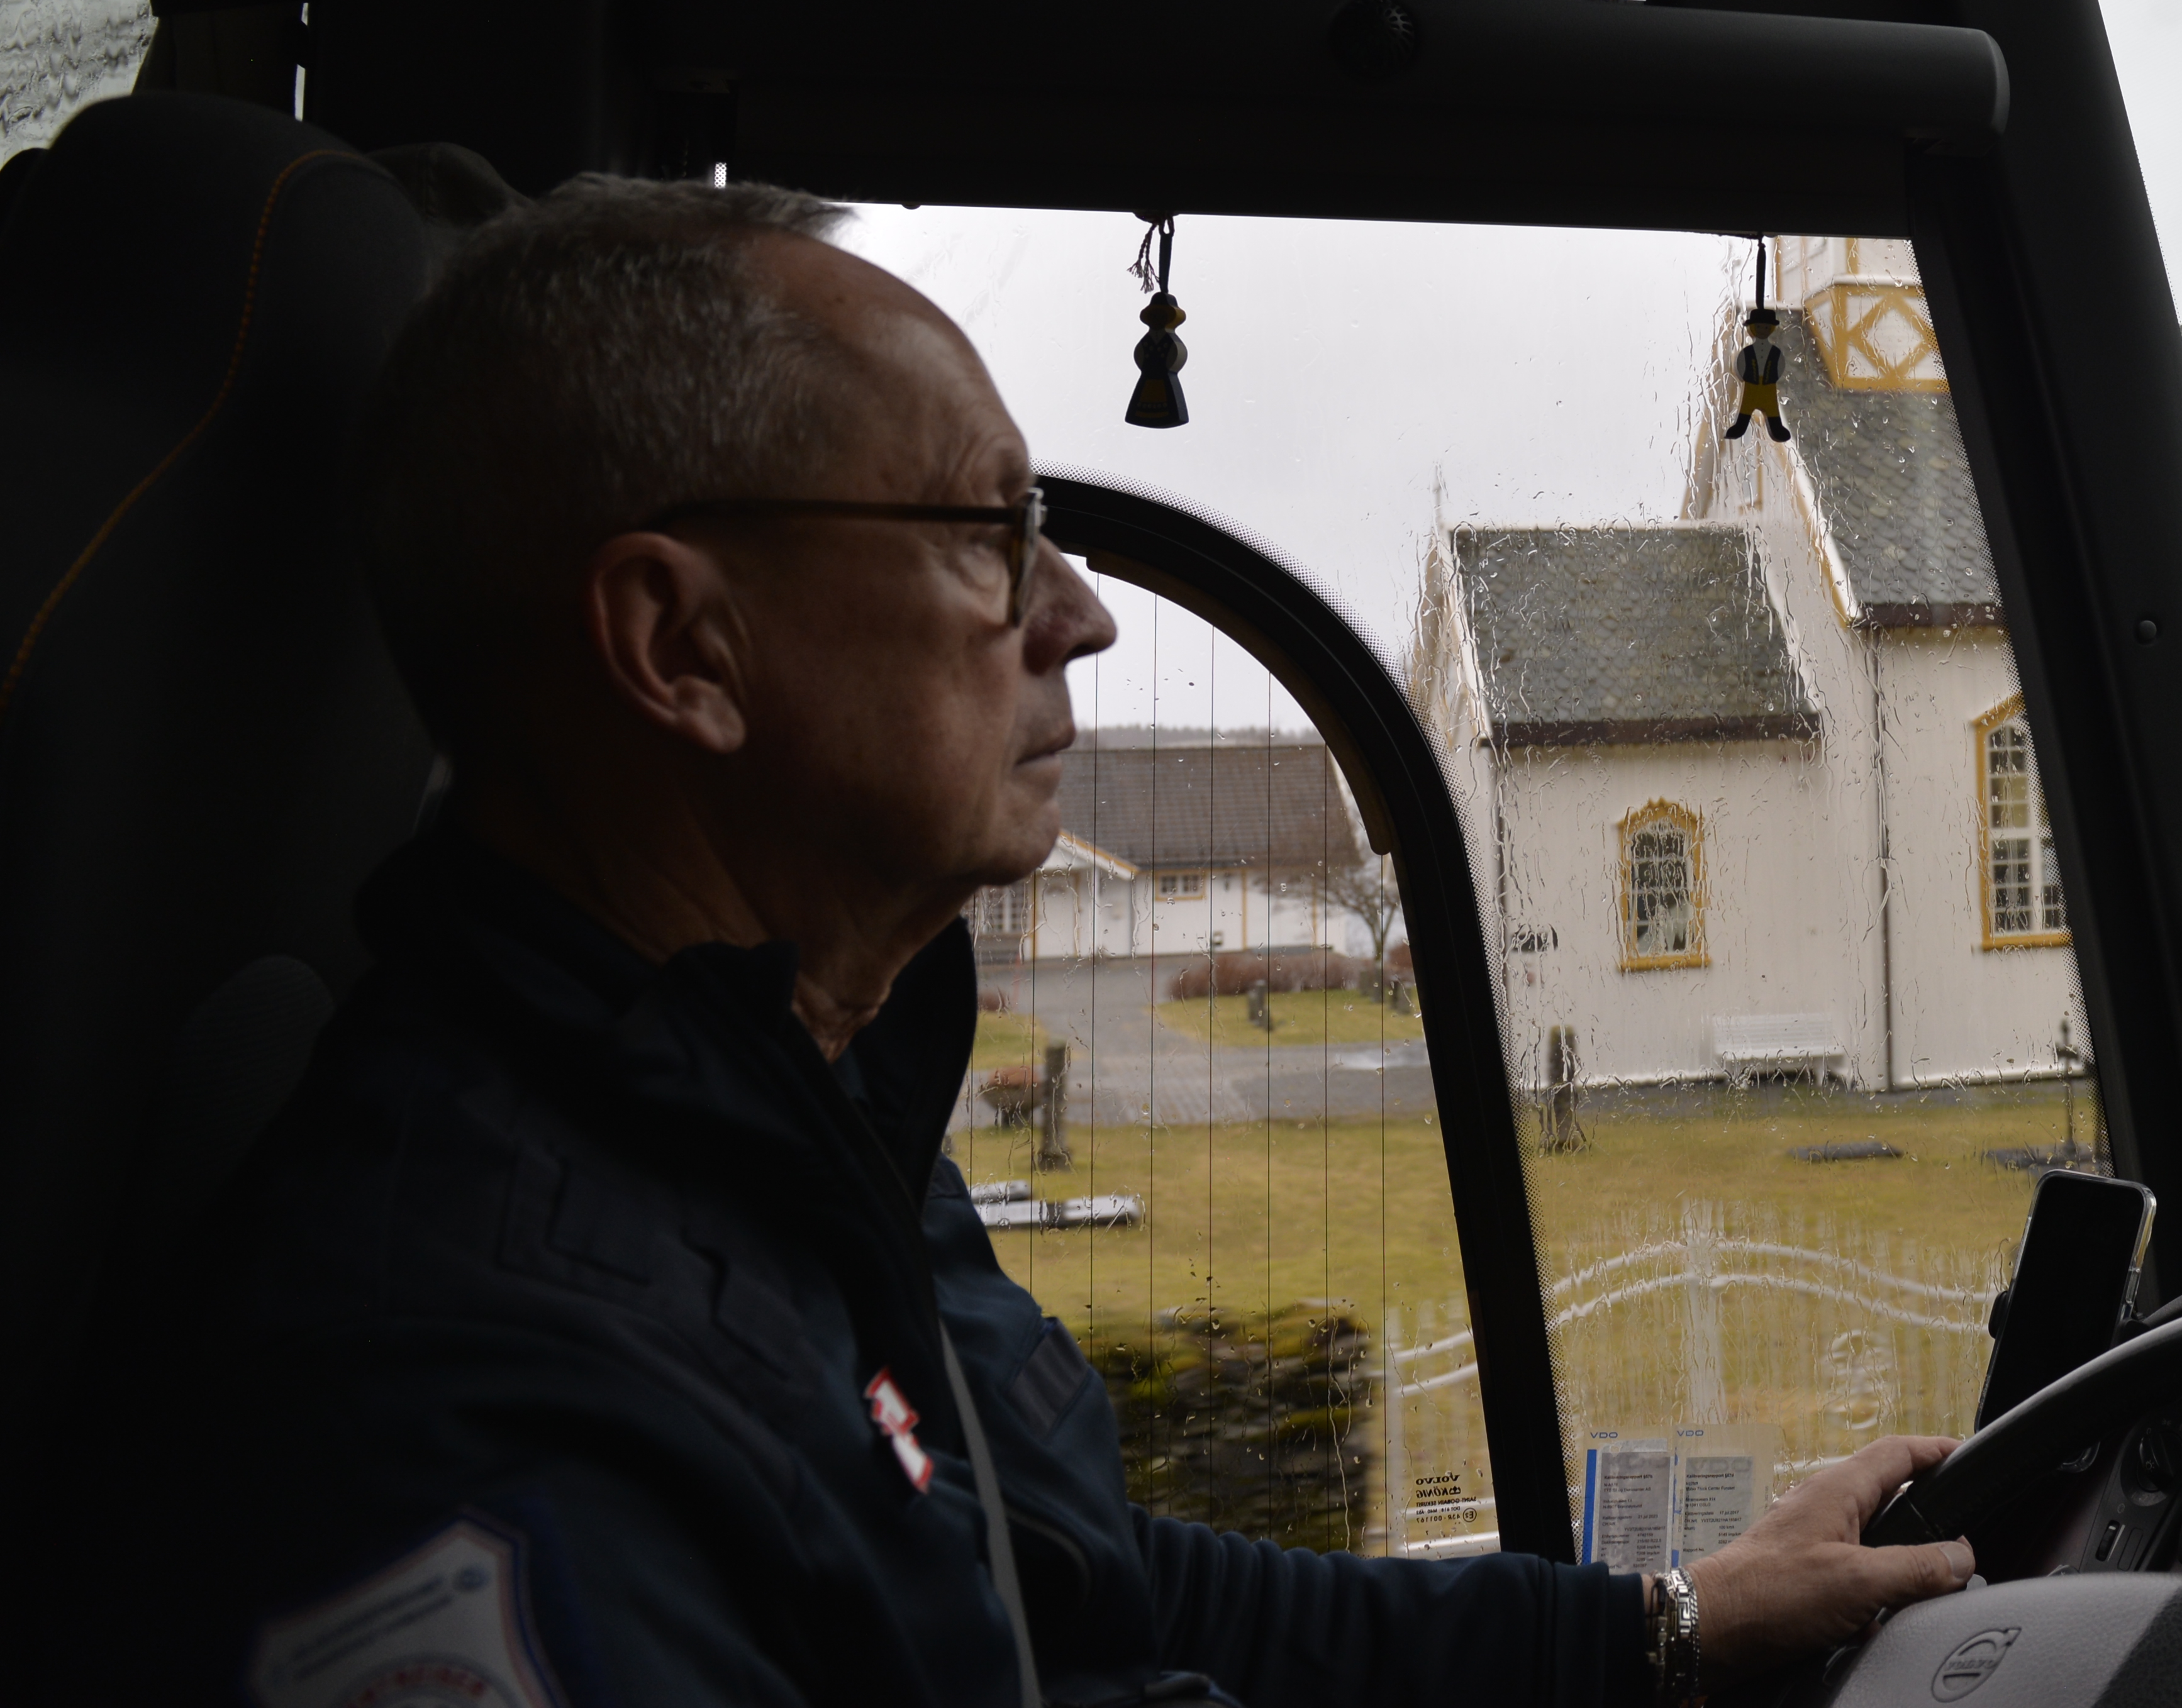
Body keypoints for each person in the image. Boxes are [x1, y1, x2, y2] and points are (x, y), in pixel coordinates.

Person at [179, 179, 1976, 1705]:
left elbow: (1104, 1591)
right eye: (986, 530)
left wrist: (1666, 1623)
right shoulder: (479, 1403)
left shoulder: (794, 1107)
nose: (1085, 615)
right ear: (681, 647)